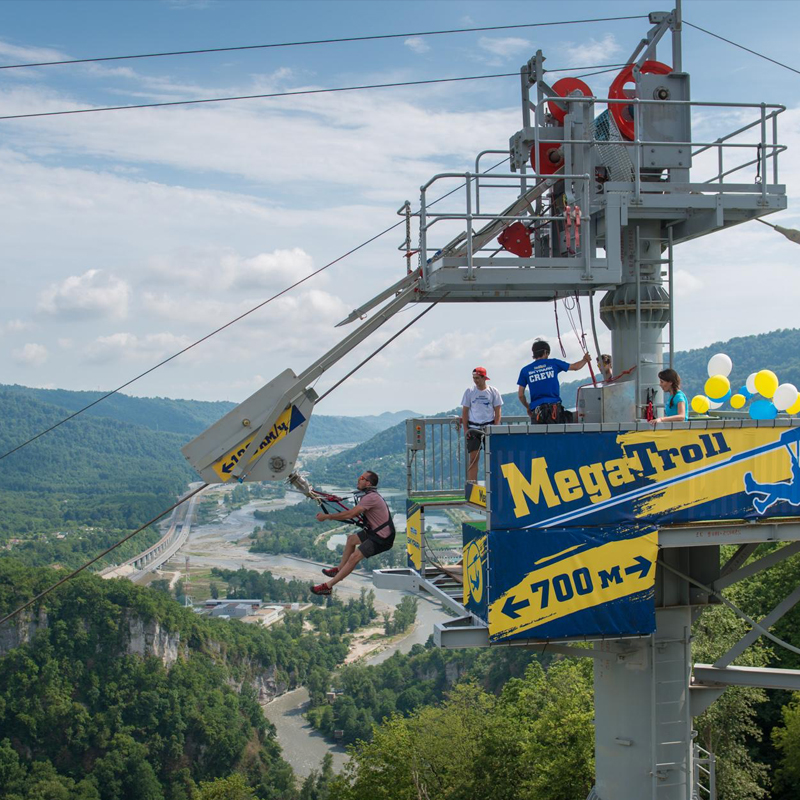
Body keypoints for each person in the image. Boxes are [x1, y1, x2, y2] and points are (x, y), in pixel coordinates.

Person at [311, 471, 395, 596]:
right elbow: (352, 500)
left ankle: (327, 586)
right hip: (375, 531)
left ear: (368, 482)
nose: (358, 479)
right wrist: (334, 499)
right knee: (351, 539)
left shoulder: (370, 497)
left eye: (361, 478)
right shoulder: (367, 494)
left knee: (354, 557)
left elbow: (351, 514)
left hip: (381, 538)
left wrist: (327, 516)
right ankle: (339, 570)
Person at [517, 339, 591, 423]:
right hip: (554, 410)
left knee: (539, 435)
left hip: (537, 412)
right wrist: (585, 359)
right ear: (545, 352)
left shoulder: (525, 370)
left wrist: (528, 407)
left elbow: (520, 395)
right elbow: (576, 367)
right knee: (557, 434)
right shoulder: (553, 363)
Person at [461, 366, 503, 483]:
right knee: (473, 458)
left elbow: (497, 410)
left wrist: (496, 426)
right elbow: (465, 411)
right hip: (473, 428)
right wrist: (465, 429)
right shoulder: (470, 391)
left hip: (489, 427)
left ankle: (494, 483)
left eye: (478, 378)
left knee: (493, 457)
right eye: (474, 378)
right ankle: (472, 484)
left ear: (484, 378)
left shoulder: (493, 391)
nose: (475, 380)